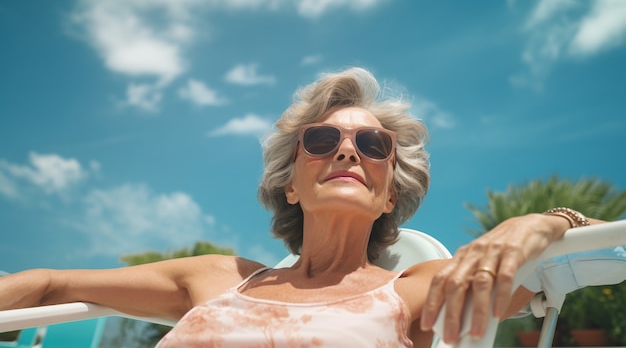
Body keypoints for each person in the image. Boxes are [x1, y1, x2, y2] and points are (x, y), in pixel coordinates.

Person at [0, 68, 615, 347]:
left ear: (389, 192)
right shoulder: (219, 278)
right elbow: (46, 283)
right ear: (290, 183)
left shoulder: (412, 293)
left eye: (373, 145)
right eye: (321, 141)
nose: (347, 149)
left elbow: (557, 271)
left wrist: (542, 222)